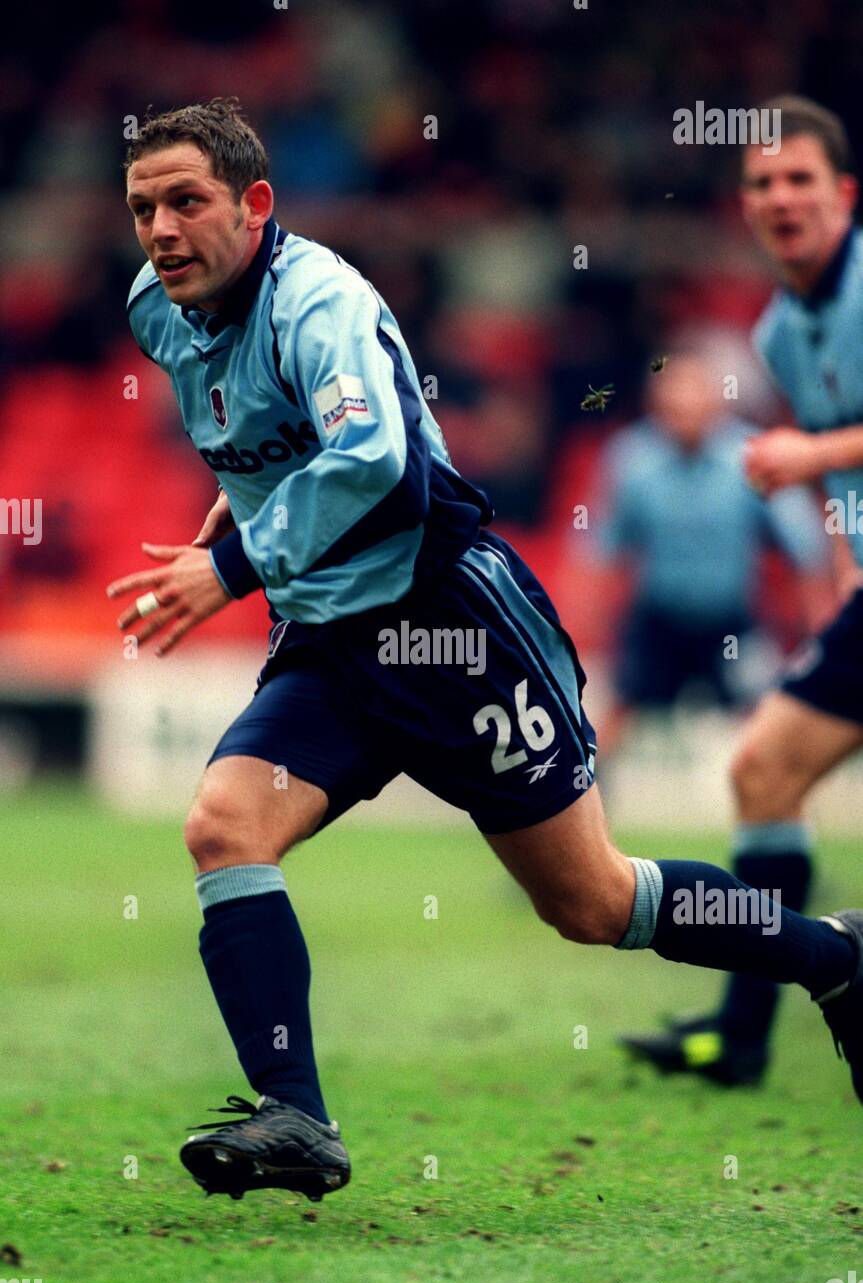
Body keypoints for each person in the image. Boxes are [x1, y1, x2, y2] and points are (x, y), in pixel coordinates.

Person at [108, 99, 863, 1204]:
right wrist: (236, 525)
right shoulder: (155, 310)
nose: (161, 231)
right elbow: (260, 445)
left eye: (185, 202)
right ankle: (298, 1118)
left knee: (594, 905)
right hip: (329, 642)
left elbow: (383, 467)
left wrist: (227, 571)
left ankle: (831, 956)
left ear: (253, 204)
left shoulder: (317, 301)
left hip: (450, 630)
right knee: (223, 826)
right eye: (140, 209)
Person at [622, 95, 863, 1087]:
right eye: (760, 182)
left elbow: (828, 454)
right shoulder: (774, 331)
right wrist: (844, 564)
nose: (778, 196)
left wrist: (808, 452)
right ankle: (747, 1033)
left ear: (842, 193)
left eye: (798, 177)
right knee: (762, 770)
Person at [600, 351, 826, 758]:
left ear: (716, 400)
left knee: (765, 723)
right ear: (656, 403)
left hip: (731, 623)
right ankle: (583, 802)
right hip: (657, 620)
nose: (684, 409)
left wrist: (820, 628)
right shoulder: (630, 459)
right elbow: (602, 551)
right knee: (612, 720)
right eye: (673, 398)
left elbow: (805, 548)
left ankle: (779, 807)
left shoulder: (751, 456)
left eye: (693, 395)